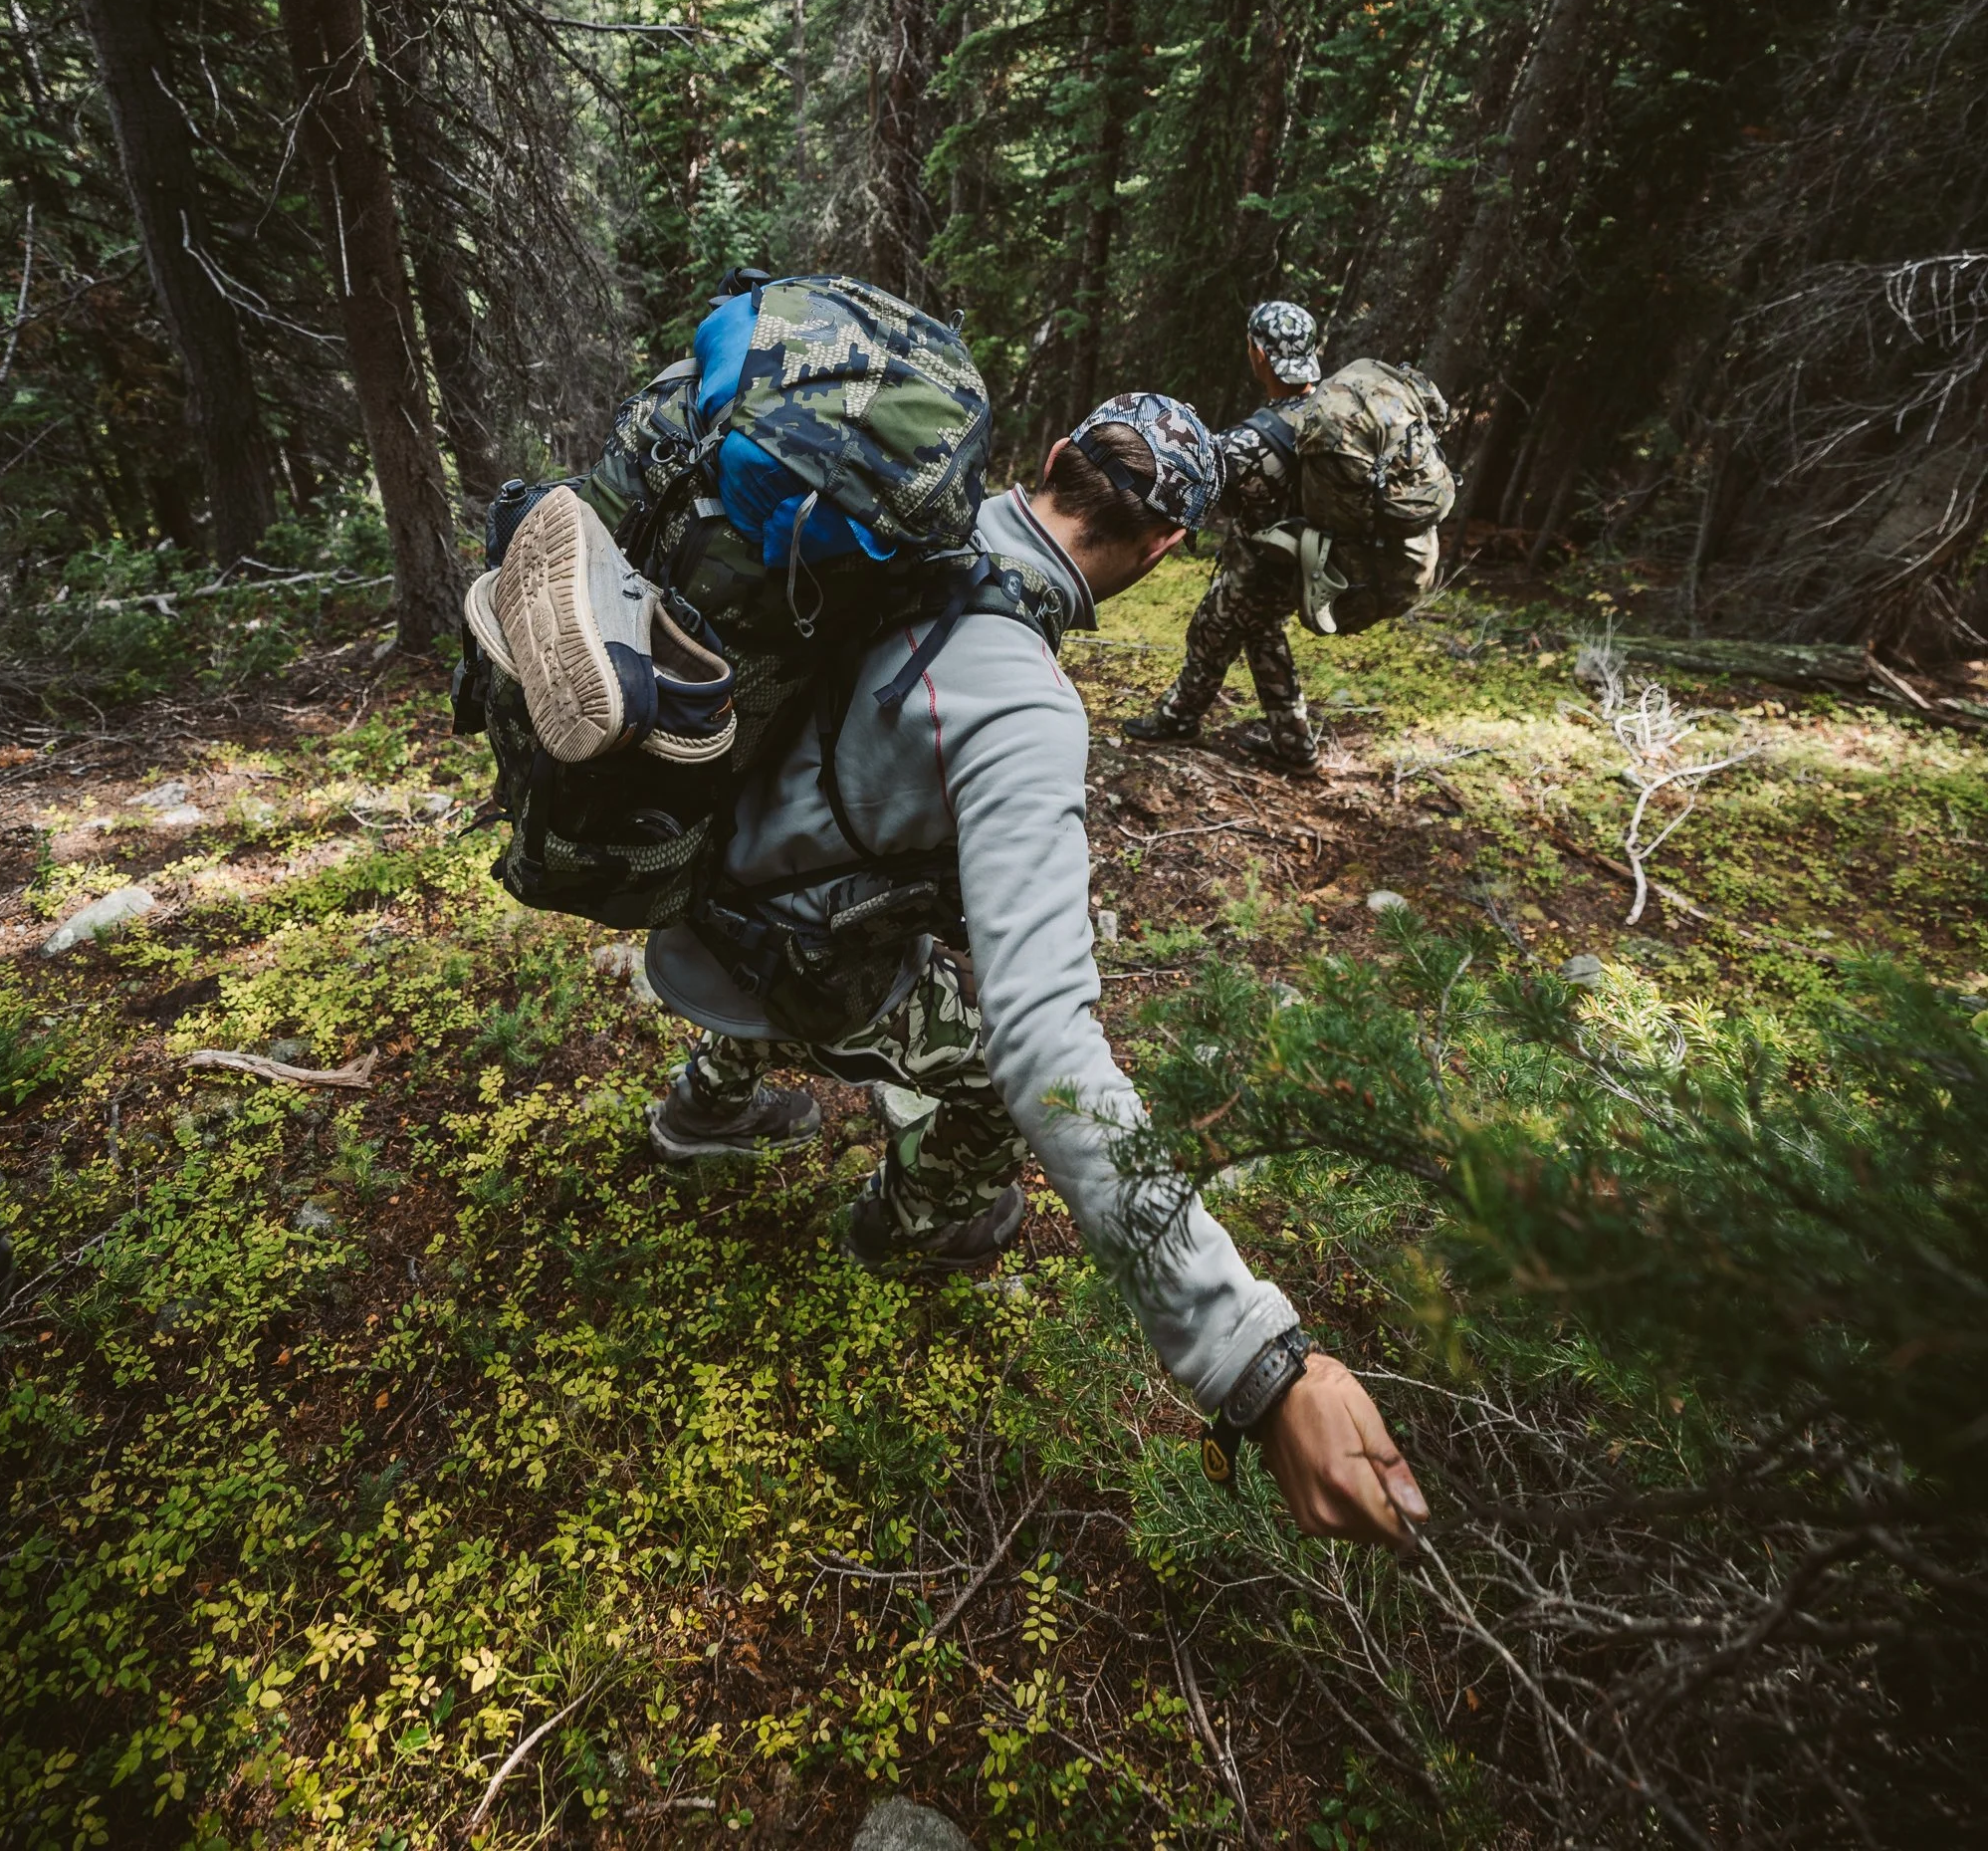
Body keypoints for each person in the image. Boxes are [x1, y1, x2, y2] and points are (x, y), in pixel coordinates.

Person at [518, 384, 1427, 1548]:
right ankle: (900, 1230)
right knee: (998, 1071)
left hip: (703, 889)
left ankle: (705, 1109)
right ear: (1161, 548)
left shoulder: (889, 539)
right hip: (778, 952)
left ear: (1048, 459)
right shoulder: (1023, 704)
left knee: (846, 890)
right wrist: (1249, 1355)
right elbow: (1050, 1043)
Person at [1124, 299, 1327, 771]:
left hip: (1263, 566)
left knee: (1210, 631)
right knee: (1262, 637)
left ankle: (1178, 718)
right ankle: (1296, 746)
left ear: (1258, 353)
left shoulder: (1253, 442)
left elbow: (1201, 485)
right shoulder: (1333, 418)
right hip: (1312, 562)